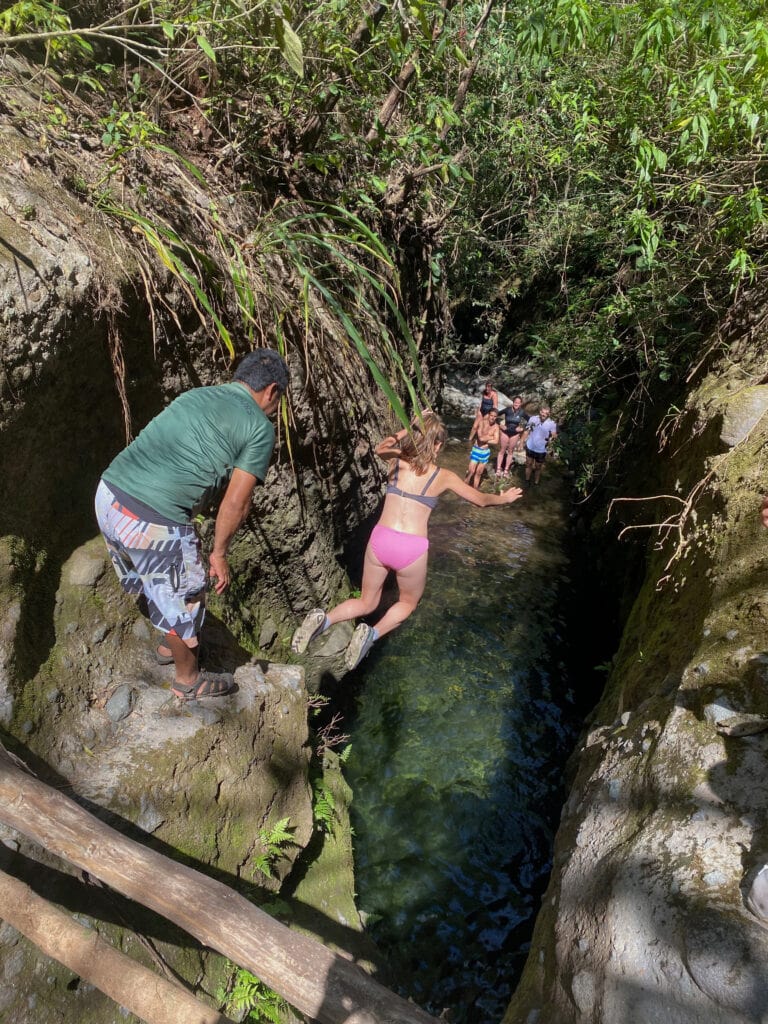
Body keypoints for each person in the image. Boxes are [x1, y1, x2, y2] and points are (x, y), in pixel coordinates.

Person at [95, 348, 289, 699]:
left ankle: (170, 647)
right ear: (272, 390)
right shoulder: (260, 428)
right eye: (280, 400)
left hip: (109, 495)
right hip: (150, 520)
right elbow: (237, 502)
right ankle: (188, 679)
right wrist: (219, 553)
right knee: (188, 592)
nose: (276, 409)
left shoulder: (197, 395)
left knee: (164, 580)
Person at [291, 411, 523, 670]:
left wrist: (409, 427)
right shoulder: (443, 475)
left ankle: (324, 620)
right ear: (437, 445)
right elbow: (479, 500)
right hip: (411, 548)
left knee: (367, 601)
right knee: (408, 603)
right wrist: (504, 498)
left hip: (381, 539)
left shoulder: (397, 461)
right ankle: (372, 634)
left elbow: (382, 447)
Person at [466, 407, 500, 489]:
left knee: (479, 473)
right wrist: (490, 437)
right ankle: (464, 489)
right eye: (491, 415)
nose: (492, 418)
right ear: (488, 415)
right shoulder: (482, 422)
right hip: (476, 449)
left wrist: (486, 438)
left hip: (485, 452)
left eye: (494, 416)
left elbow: (496, 441)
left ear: (496, 417)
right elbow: (480, 438)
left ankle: (475, 491)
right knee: (471, 471)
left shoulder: (496, 427)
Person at [524, 405, 557, 485]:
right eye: (542, 412)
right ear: (539, 411)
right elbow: (527, 430)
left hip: (541, 450)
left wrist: (553, 438)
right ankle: (527, 480)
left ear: (549, 414)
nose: (543, 414)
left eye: (546, 413)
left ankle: (536, 482)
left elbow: (554, 434)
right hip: (530, 446)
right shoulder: (533, 419)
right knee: (528, 464)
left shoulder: (552, 423)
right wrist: (521, 441)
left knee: (538, 467)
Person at [496, 396, 528, 478]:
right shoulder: (507, 410)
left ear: (520, 404)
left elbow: (530, 421)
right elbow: (495, 415)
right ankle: (498, 469)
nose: (516, 403)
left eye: (518, 402)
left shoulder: (522, 412)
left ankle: (506, 470)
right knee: (502, 450)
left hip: (515, 434)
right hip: (505, 432)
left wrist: (522, 428)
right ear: (513, 402)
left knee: (510, 452)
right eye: (515, 402)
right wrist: (500, 425)